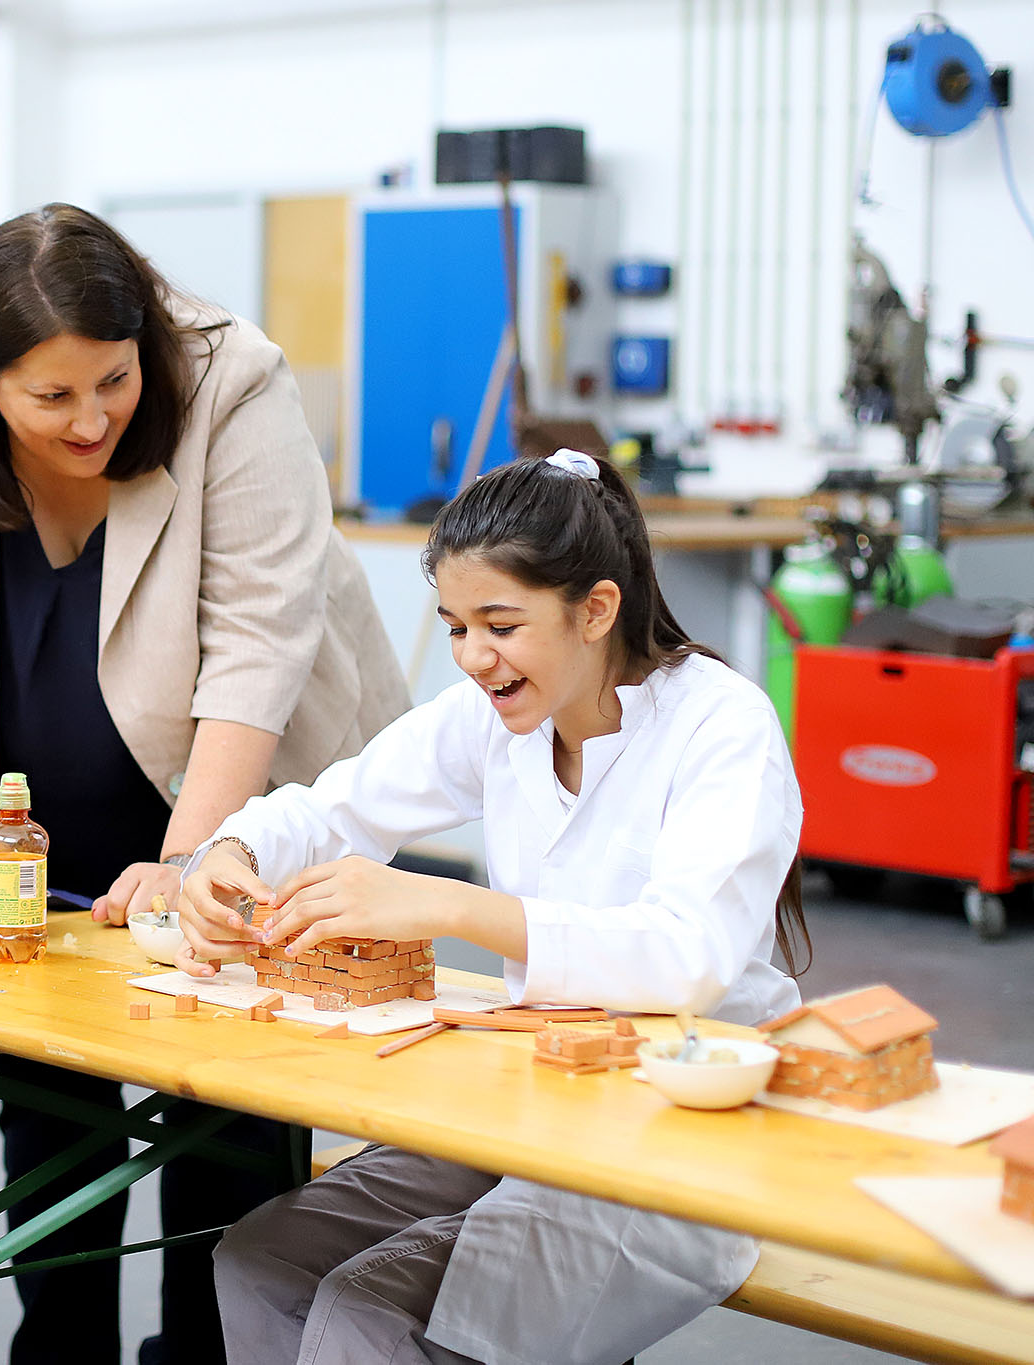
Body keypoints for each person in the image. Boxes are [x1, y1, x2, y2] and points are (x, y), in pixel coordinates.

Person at [0, 203, 409, 1364]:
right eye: (50, 397)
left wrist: (197, 860)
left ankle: (208, 1353)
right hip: (31, 800)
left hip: (235, 785)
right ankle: (62, 1352)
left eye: (111, 381)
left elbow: (255, 645)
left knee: (225, 1101)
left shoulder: (229, 379)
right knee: (45, 1094)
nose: (90, 419)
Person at [179, 450, 811, 1365]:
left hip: (676, 1131)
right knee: (258, 1259)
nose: (475, 656)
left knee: (370, 1314)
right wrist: (230, 851)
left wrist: (444, 903)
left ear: (597, 609)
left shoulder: (722, 726)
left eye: (500, 624)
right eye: (456, 627)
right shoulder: (495, 713)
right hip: (532, 1098)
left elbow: (687, 954)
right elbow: (335, 805)